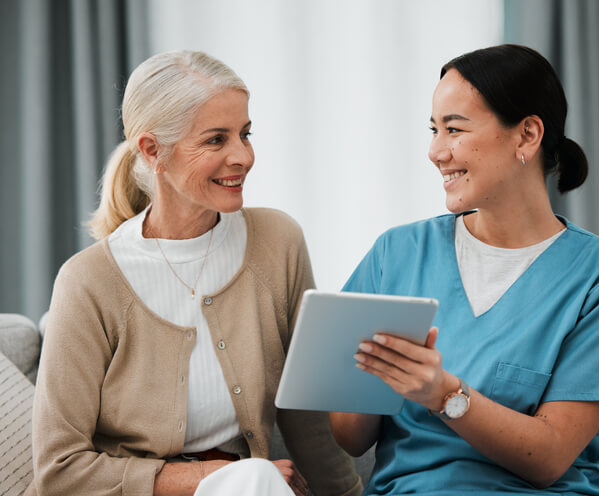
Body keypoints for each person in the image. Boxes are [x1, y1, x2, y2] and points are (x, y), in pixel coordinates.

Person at [329, 44, 599, 495]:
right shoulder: (397, 254)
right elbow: (351, 438)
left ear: (526, 135)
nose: (435, 151)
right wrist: (369, 375)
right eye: (433, 130)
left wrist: (443, 394)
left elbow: (548, 458)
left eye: (454, 129)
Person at [27, 50, 362, 496]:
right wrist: (213, 477)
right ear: (152, 150)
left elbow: (308, 417)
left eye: (245, 134)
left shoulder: (277, 242)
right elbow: (59, 470)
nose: (242, 156)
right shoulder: (88, 281)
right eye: (216, 140)